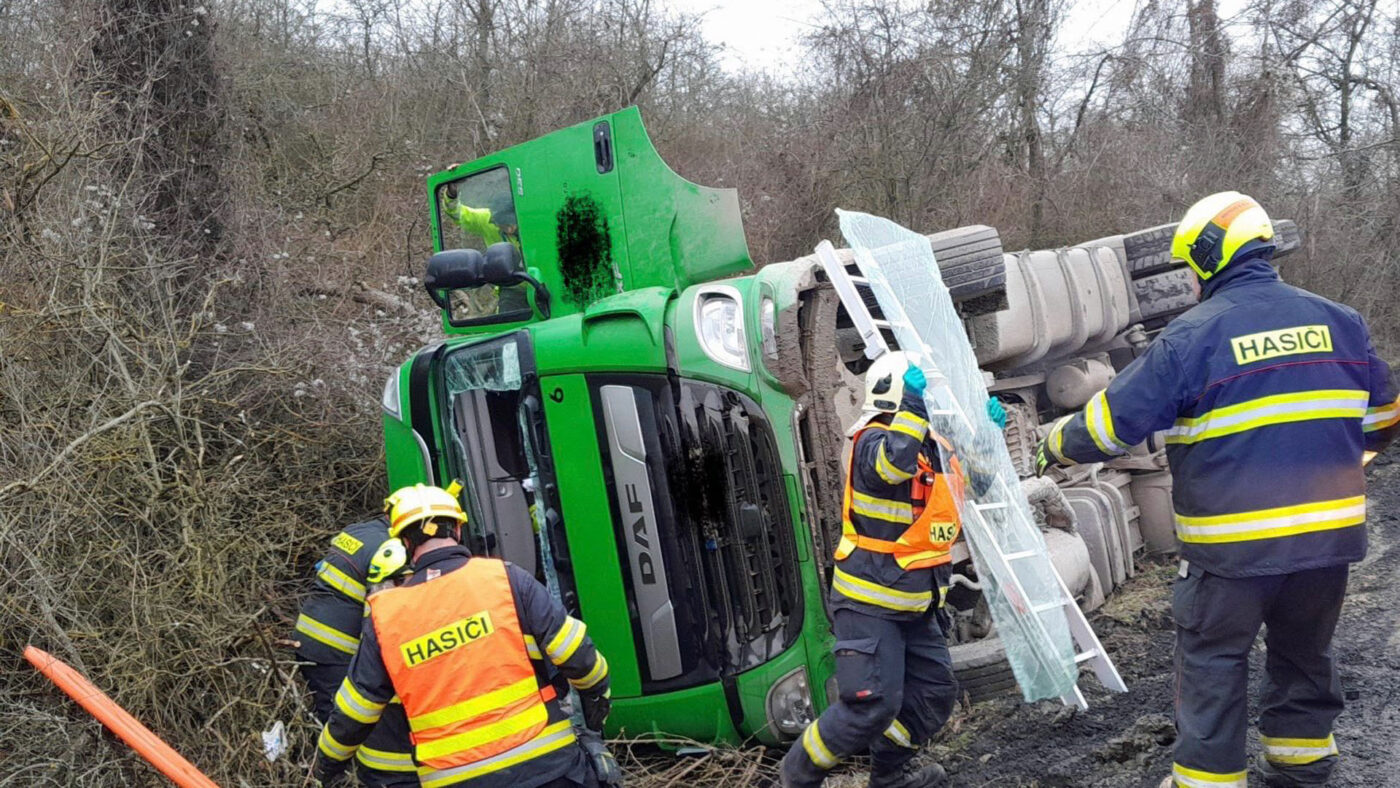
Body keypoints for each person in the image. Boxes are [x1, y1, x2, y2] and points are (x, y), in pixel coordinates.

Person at [1034, 192, 1399, 788]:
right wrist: (1338, 465)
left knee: (1213, 666)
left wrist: (1052, 443)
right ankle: (1302, 770)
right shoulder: (1342, 322)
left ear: (1207, 259)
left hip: (1233, 552)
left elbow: (1110, 424)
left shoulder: (1191, 337)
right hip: (1326, 544)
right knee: (1305, 657)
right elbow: (1385, 418)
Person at [781, 350, 1007, 788]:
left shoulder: (928, 446)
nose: (933, 403)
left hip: (917, 605)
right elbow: (891, 466)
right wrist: (913, 410)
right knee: (870, 705)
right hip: (869, 603)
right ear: (900, 398)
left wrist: (987, 439)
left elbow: (970, 486)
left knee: (933, 695)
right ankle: (796, 778)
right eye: (923, 395)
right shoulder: (870, 440)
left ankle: (889, 779)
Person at [313, 483, 616, 788]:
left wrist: (325, 765)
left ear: (405, 542)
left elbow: (355, 711)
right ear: (457, 529)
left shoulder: (385, 616)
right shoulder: (506, 578)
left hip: (455, 780)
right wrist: (596, 705)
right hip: (548, 766)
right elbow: (577, 654)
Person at [295, 507, 417, 784]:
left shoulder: (358, 533)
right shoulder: (389, 549)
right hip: (336, 650)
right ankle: (339, 777)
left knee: (332, 714)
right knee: (347, 719)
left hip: (312, 640)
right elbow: (378, 617)